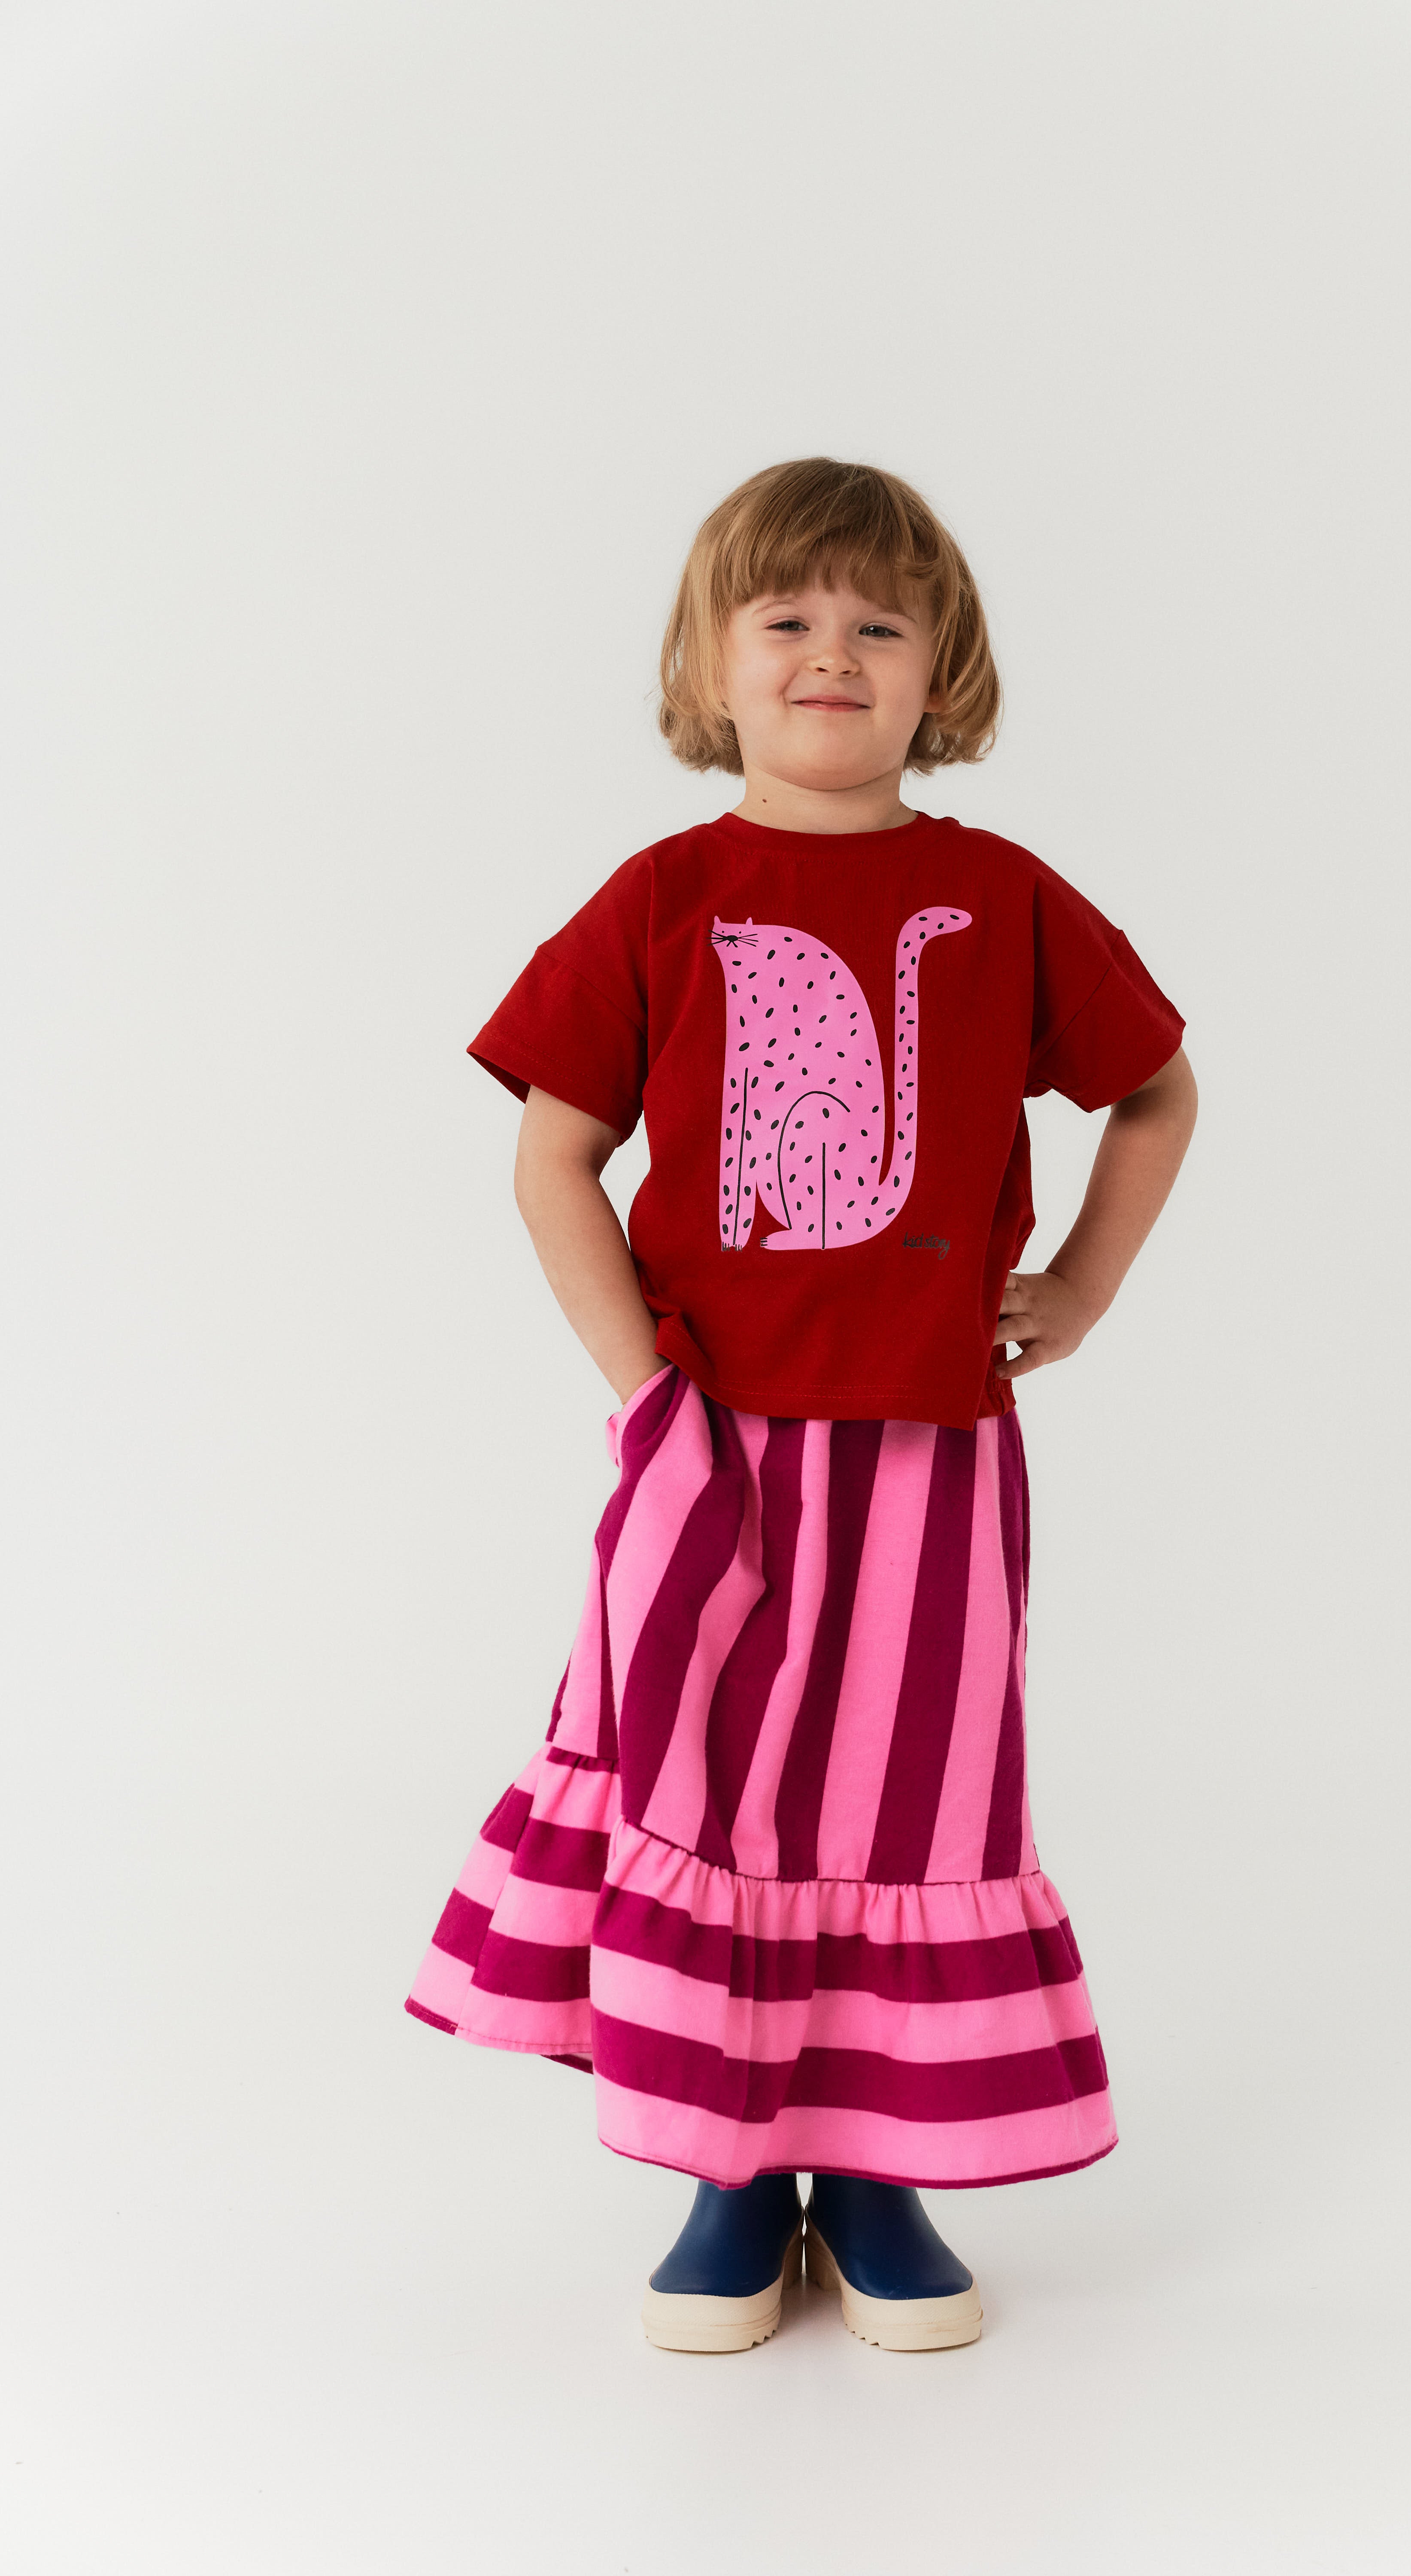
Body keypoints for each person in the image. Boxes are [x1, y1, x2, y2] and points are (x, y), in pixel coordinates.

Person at [406, 456, 1198, 2354]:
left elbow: (1157, 1088)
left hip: (934, 1456)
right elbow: (553, 1155)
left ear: (943, 674)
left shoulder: (1000, 899)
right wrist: (645, 1396)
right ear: (712, 663)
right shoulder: (664, 898)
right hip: (715, 1449)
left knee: (907, 1800)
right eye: (787, 619)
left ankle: (879, 2169)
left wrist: (1081, 1287)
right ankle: (733, 2170)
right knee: (718, 1786)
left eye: (879, 624)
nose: (832, 654)